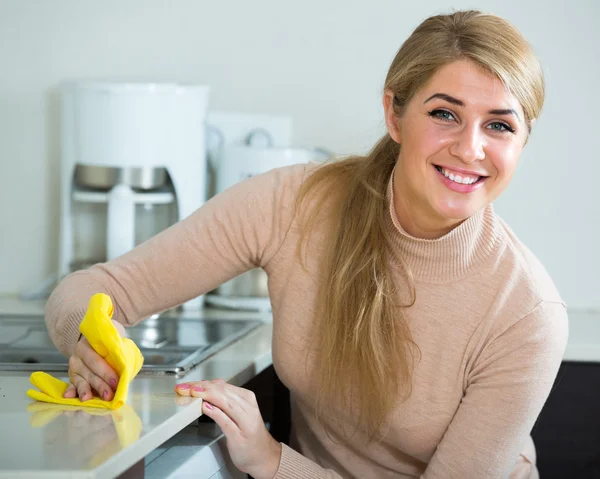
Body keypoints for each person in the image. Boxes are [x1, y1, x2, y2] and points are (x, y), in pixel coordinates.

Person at [44, 9, 568, 479]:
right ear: (394, 115)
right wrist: (90, 339)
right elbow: (93, 289)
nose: (469, 148)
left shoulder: (527, 315)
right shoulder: (294, 203)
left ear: (522, 142)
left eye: (499, 125)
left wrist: (274, 463)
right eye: (444, 113)